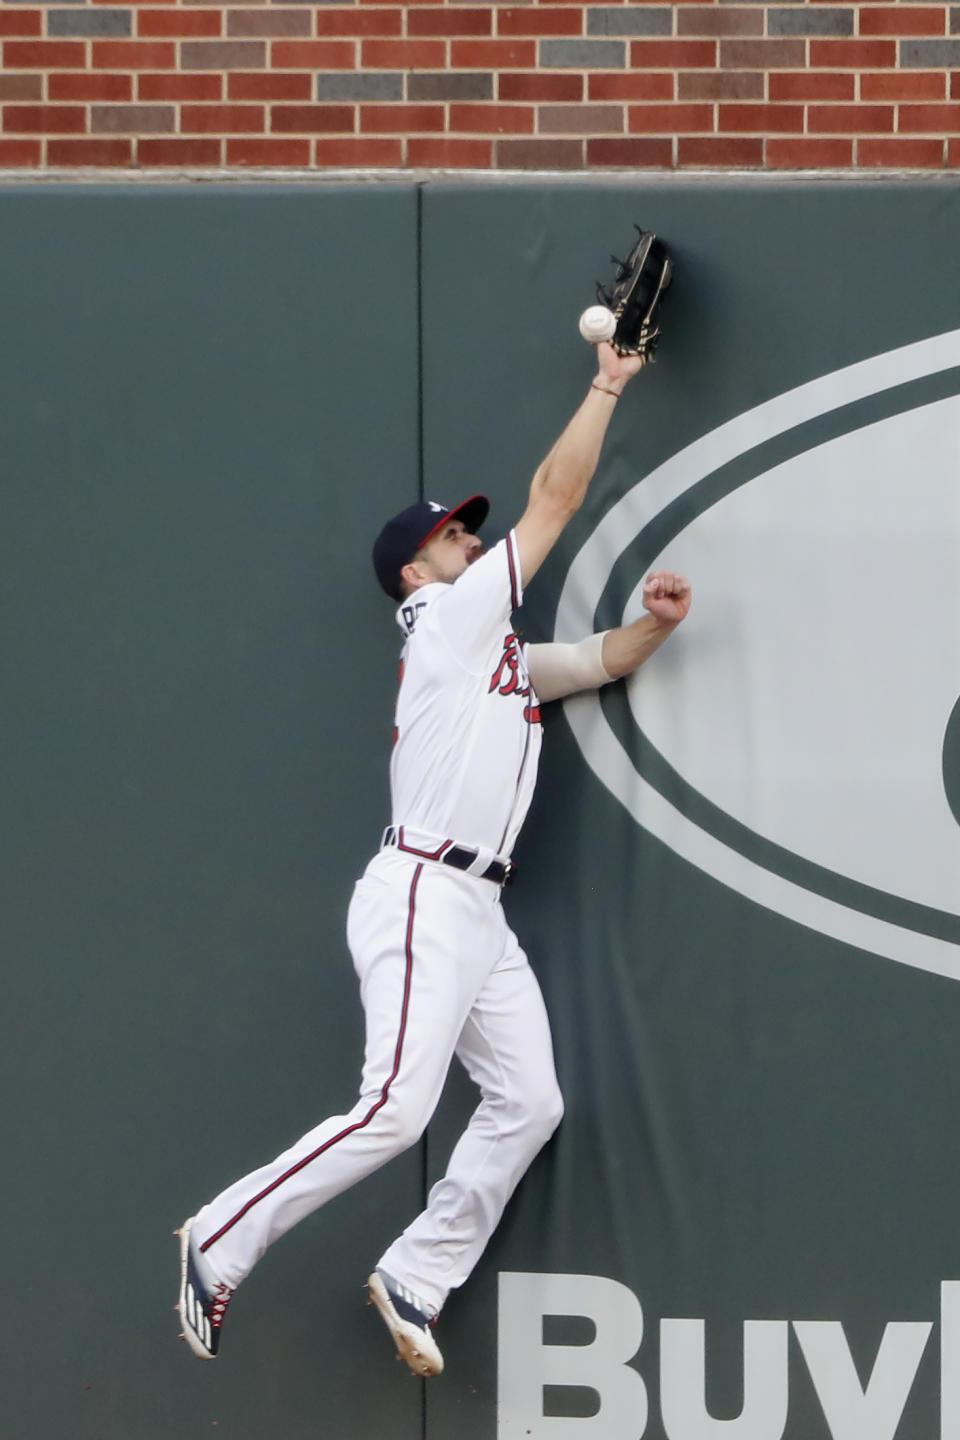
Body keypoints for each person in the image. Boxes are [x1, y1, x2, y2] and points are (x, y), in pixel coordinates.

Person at [176, 340, 691, 1376]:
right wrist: (607, 384)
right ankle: (219, 1237)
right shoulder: (450, 619)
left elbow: (593, 662)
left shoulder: (488, 657)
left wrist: (656, 625)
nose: (467, 539)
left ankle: (416, 1274)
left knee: (530, 1102)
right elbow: (553, 498)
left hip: (476, 913)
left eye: (466, 532)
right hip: (421, 891)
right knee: (396, 1109)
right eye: (452, 535)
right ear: (416, 573)